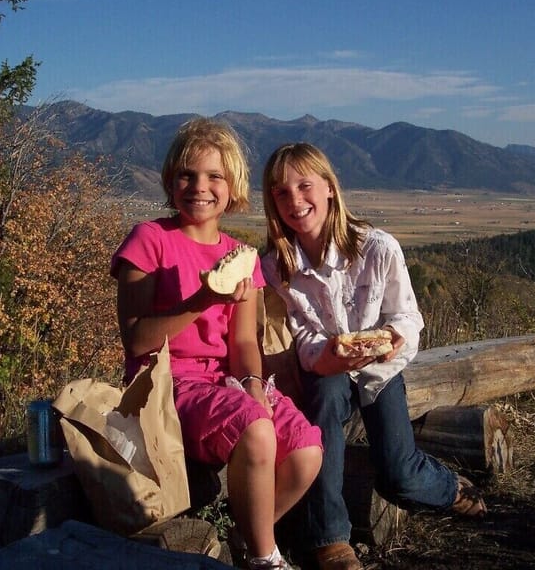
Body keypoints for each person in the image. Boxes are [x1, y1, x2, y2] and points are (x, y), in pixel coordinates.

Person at [261, 143, 487, 570]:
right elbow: (298, 333)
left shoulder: (377, 249)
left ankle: (449, 487)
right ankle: (329, 539)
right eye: (281, 192)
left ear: (329, 188)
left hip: (380, 372)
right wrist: (322, 357)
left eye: (304, 186)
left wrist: (389, 340)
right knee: (325, 401)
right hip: (324, 371)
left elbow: (406, 316)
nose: (294, 200)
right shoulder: (277, 267)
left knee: (398, 475)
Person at [111, 119, 323, 570]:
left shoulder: (242, 257)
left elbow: (244, 339)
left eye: (214, 177)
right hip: (165, 384)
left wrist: (251, 382)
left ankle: (239, 538)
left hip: (223, 381)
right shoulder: (149, 241)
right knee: (256, 428)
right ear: (170, 179)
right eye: (187, 174)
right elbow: (136, 341)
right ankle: (267, 558)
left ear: (232, 187)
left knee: (305, 452)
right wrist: (202, 299)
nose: (199, 187)